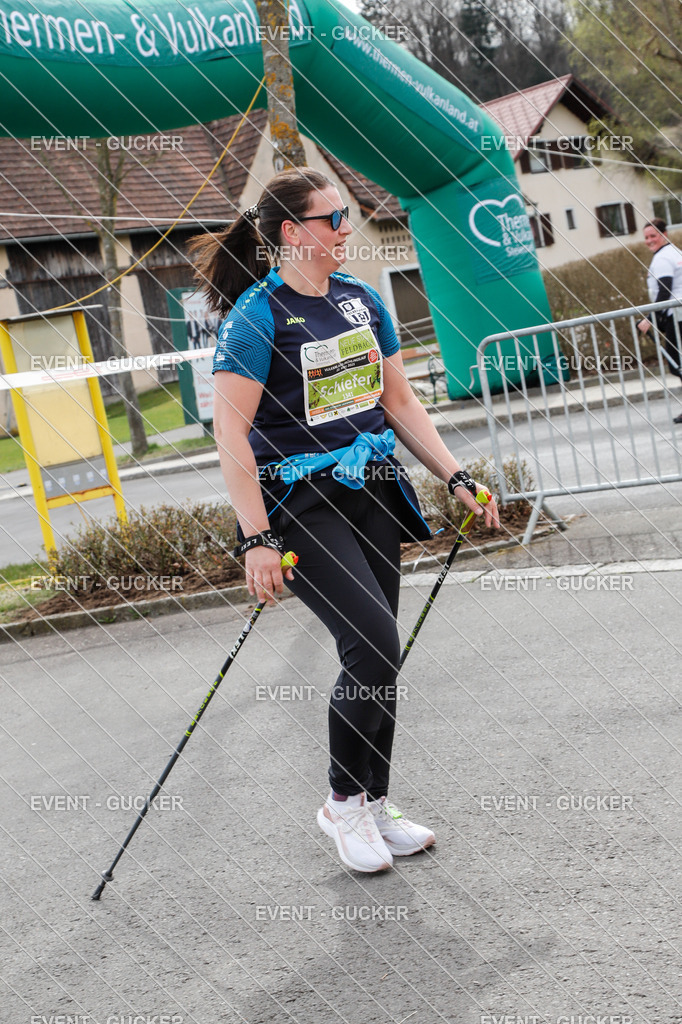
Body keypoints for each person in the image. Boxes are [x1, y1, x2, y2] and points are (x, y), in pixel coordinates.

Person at [189, 168, 499, 874]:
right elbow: (231, 436)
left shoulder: (361, 301)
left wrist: (455, 475)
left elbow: (399, 402)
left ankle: (374, 802)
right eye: (333, 219)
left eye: (347, 216)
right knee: (373, 642)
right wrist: (257, 538)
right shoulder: (255, 318)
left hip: (373, 490)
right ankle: (340, 805)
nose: (346, 229)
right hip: (299, 507)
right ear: (292, 233)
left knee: (380, 658)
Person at [637, 218, 682, 424]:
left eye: (653, 236)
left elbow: (665, 290)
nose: (649, 240)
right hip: (677, 315)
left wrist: (651, 318)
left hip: (679, 316)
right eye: (646, 237)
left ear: (664, 234)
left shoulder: (662, 258)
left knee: (676, 362)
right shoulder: (674, 252)